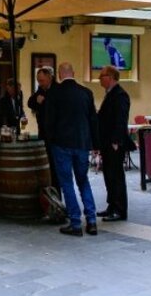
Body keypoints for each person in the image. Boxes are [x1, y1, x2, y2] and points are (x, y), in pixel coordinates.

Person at [45, 62, 100, 237]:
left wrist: (50, 139)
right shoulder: (86, 93)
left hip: (61, 144)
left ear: (60, 75)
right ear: (73, 73)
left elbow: (49, 121)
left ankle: (75, 223)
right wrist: (94, 143)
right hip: (82, 144)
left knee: (67, 182)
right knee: (83, 180)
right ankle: (91, 221)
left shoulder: (55, 93)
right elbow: (93, 120)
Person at [97, 65, 132, 222]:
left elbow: (120, 119)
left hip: (114, 143)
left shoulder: (120, 95)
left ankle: (119, 209)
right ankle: (111, 206)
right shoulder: (110, 94)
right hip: (107, 142)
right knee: (109, 175)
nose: (99, 79)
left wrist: (116, 141)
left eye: (101, 76)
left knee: (116, 175)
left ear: (110, 77)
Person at [28, 66, 60, 201]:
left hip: (56, 134)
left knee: (55, 167)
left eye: (42, 80)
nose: (40, 83)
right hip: (44, 133)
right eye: (38, 81)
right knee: (47, 166)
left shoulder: (57, 90)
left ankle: (57, 196)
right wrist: (37, 101)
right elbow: (30, 102)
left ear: (49, 77)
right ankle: (50, 194)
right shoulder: (41, 90)